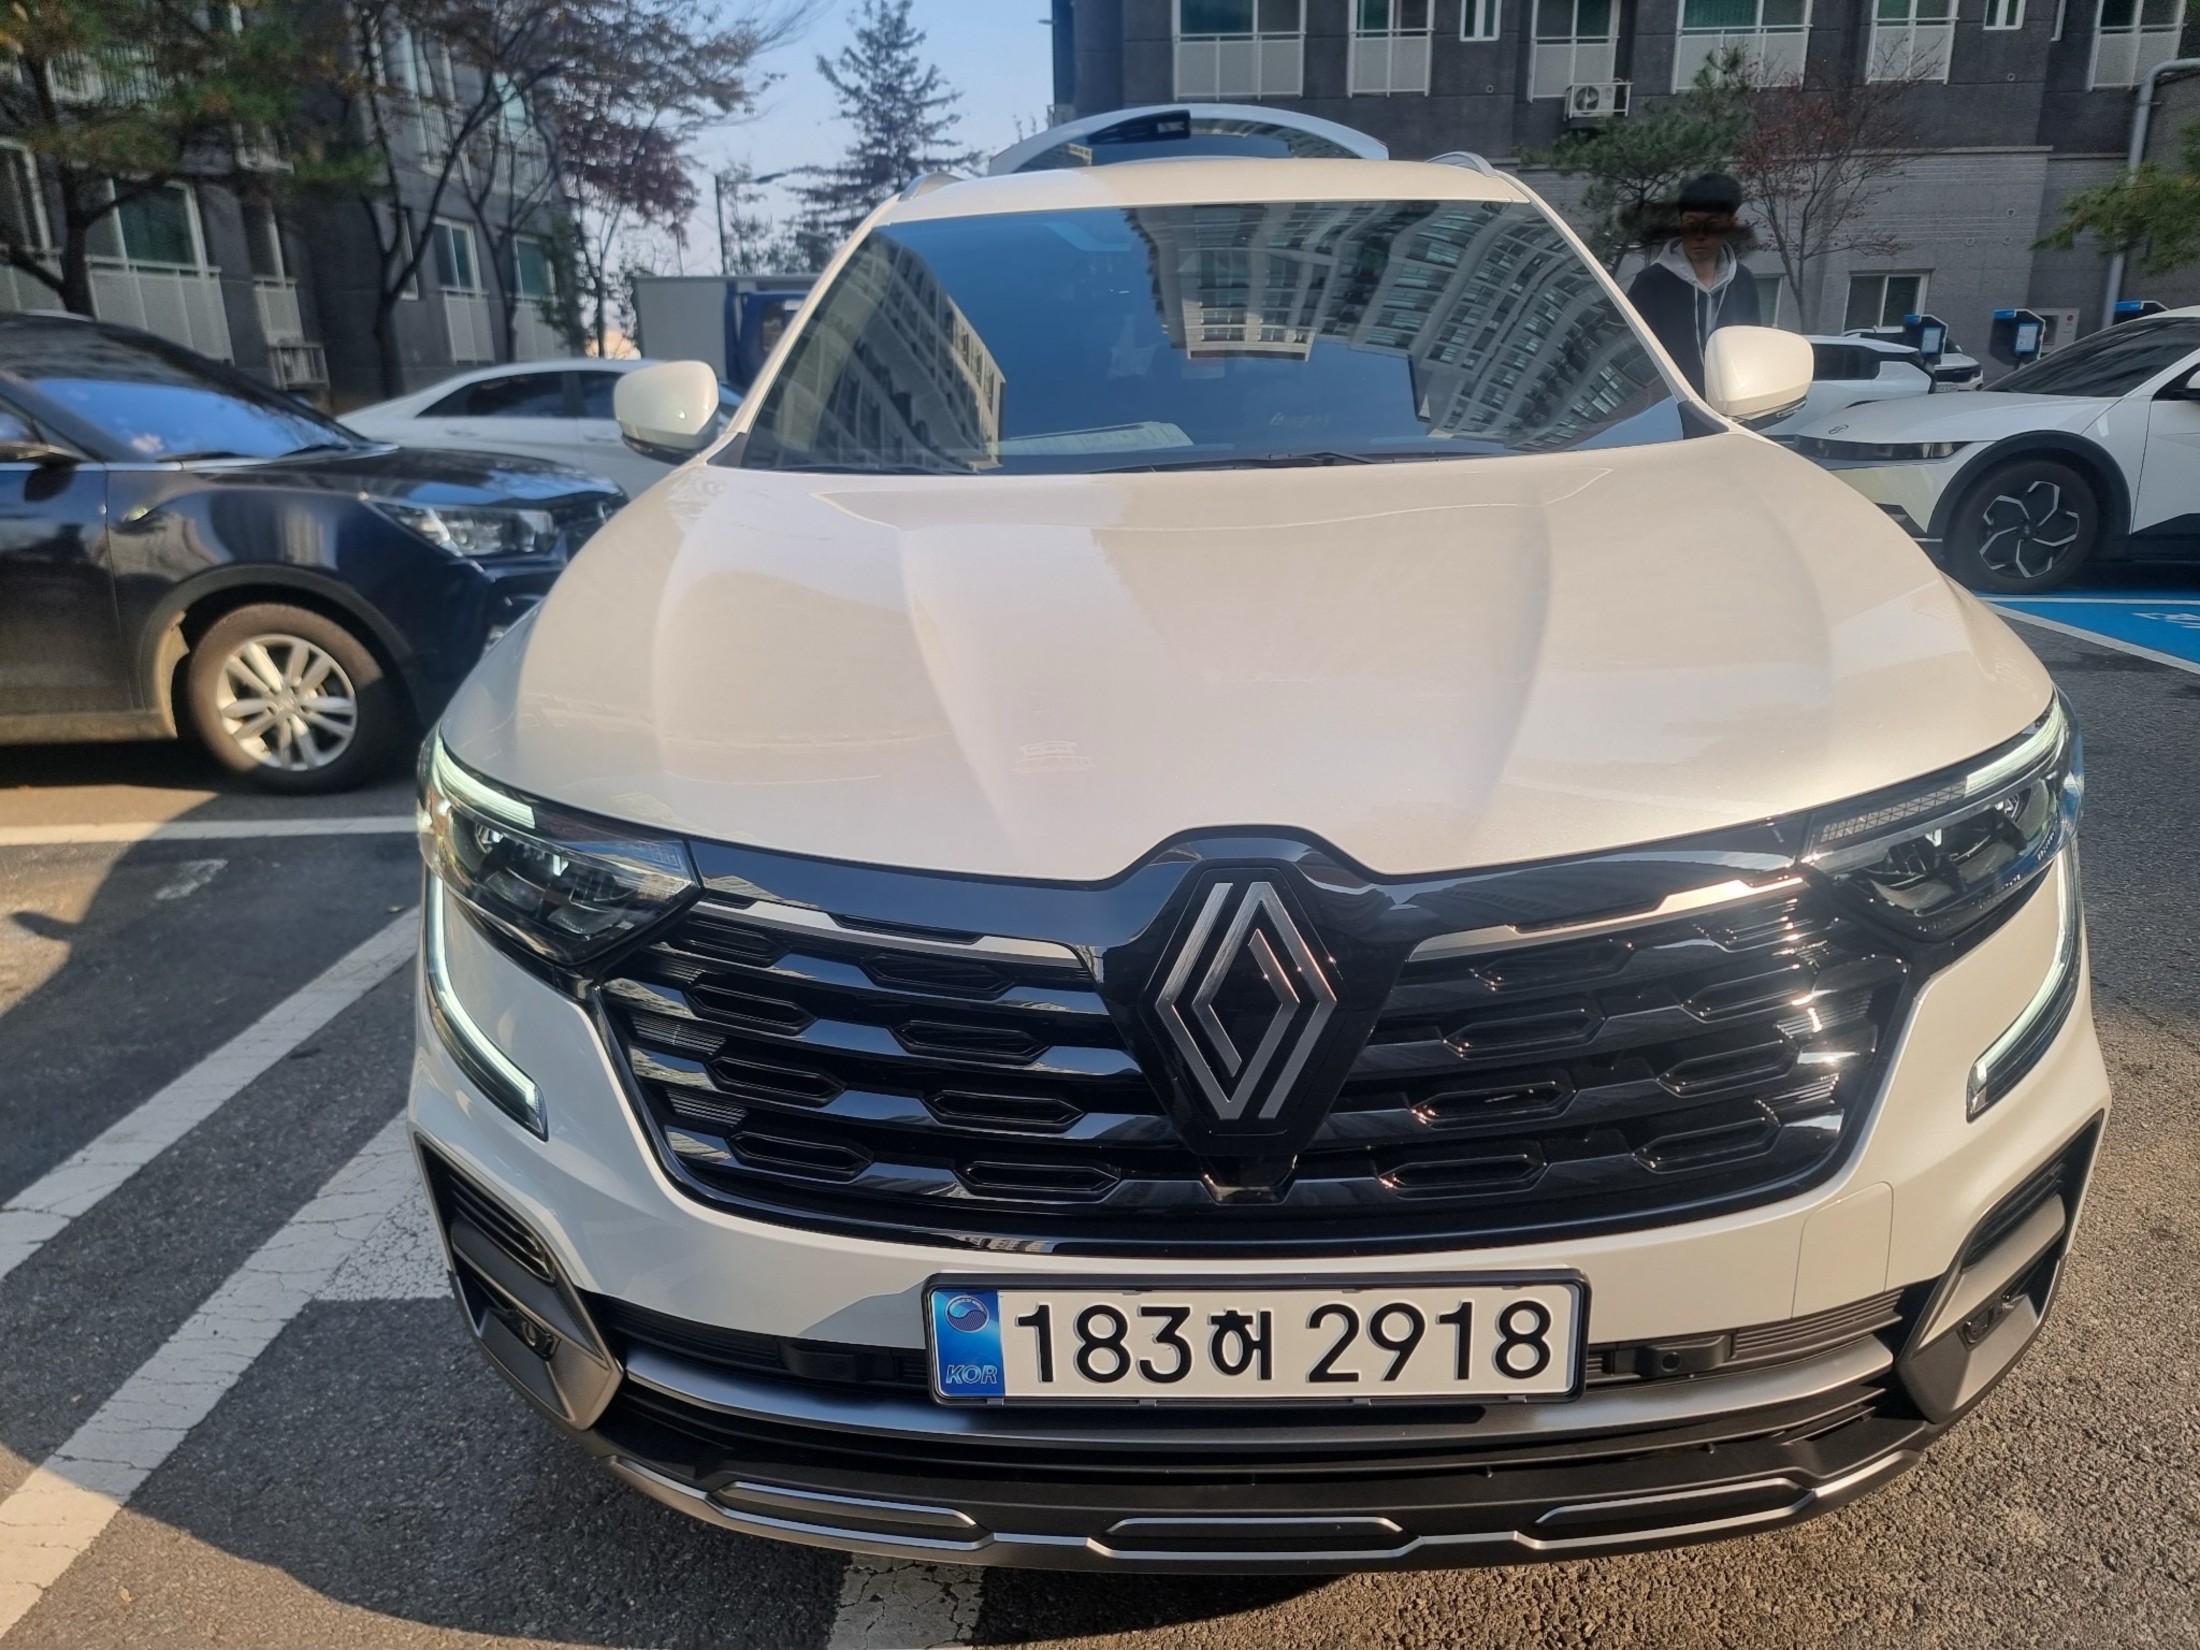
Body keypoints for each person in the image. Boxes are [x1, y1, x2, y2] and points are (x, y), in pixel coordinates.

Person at [1626, 173, 1760, 393]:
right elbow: (1632, 357)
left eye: (1712, 224)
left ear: (1730, 224)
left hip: (1729, 404)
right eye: (1691, 223)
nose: (1700, 234)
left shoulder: (1743, 281)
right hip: (1669, 405)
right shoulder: (1651, 283)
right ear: (1680, 224)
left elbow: (1751, 351)